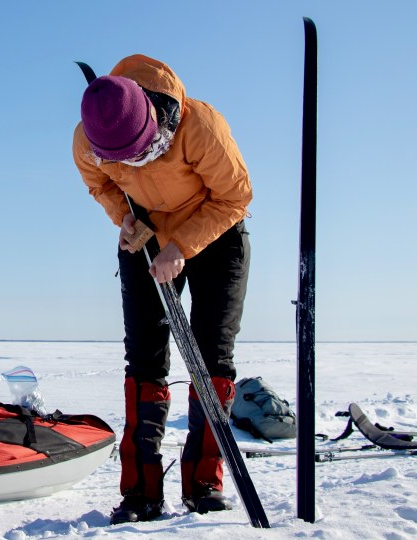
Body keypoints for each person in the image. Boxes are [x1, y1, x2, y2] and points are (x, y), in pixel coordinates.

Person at [72, 54, 252, 524]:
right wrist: (126, 219)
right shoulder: (85, 142)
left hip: (214, 230)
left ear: (155, 120)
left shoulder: (201, 125)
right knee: (145, 357)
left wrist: (181, 247)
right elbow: (102, 187)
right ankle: (141, 491)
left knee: (212, 354)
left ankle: (203, 484)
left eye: (141, 152)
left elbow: (235, 197)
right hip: (147, 234)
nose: (133, 163)